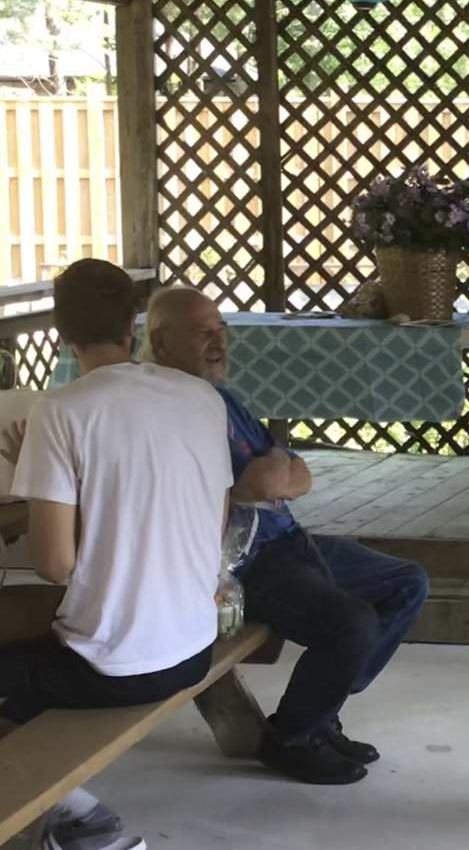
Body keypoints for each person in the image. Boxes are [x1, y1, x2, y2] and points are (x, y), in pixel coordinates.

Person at [143, 286, 429, 786]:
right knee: (350, 623)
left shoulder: (221, 397)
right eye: (202, 333)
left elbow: (294, 475)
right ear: (162, 342)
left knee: (406, 582)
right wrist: (272, 472)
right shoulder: (168, 407)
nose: (219, 343)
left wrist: (274, 472)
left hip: (286, 539)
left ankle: (323, 706)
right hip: (243, 563)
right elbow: (262, 482)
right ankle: (293, 739)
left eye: (221, 330)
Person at [0, 260, 231, 850]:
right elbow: (210, 517)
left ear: (61, 331)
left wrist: (44, 484)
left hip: (115, 667)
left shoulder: (62, 410)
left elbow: (54, 565)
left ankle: (89, 825)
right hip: (195, 644)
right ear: (133, 325)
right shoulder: (202, 396)